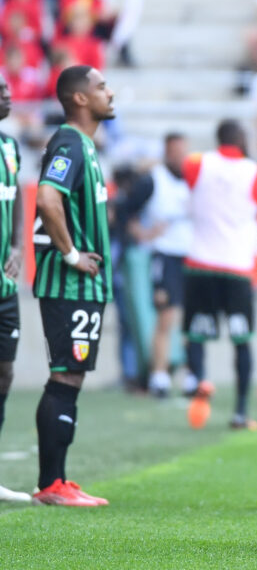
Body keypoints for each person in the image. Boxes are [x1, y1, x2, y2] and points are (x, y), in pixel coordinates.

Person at [31, 65, 115, 506]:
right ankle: (51, 484)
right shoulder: (69, 142)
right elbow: (47, 197)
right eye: (102, 87)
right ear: (80, 98)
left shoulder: (84, 145)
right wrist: (70, 254)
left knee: (71, 377)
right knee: (65, 376)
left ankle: (57, 480)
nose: (110, 93)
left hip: (81, 289)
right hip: (69, 285)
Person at [181, 120, 257, 430]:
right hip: (236, 266)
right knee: (241, 341)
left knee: (196, 334)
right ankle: (240, 411)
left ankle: (200, 379)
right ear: (241, 139)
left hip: (200, 262)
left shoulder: (196, 163)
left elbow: (187, 180)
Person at [142, 133, 191, 397]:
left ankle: (191, 376)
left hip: (191, 255)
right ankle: (159, 376)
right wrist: (142, 233)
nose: (179, 157)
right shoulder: (154, 178)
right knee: (166, 317)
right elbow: (127, 208)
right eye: (175, 152)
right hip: (165, 255)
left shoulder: (194, 180)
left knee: (192, 320)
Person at [0, 74, 29, 503]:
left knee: (4, 373)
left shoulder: (9, 144)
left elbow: (18, 192)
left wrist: (19, 244)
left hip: (5, 285)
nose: (7, 93)